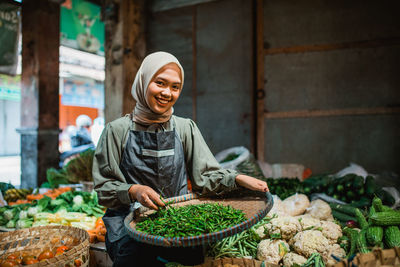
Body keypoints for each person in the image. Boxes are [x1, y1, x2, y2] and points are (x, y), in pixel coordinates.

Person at [92, 52, 268, 267]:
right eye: (160, 83)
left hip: (178, 222)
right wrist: (133, 191)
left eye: (175, 87)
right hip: (128, 225)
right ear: (143, 82)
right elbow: (104, 187)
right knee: (134, 256)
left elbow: (205, 177)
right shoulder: (116, 131)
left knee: (192, 259)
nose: (167, 92)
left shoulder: (185, 128)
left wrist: (237, 178)